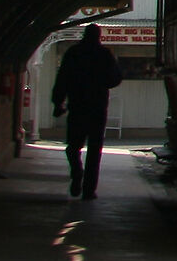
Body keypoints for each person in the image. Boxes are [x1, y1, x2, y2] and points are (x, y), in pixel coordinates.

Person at [52, 24, 123, 200]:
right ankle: (89, 190)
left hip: (77, 106)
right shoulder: (105, 55)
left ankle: (77, 173)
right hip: (98, 108)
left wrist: (58, 102)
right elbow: (114, 79)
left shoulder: (73, 53)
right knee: (94, 149)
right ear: (99, 36)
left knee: (73, 147)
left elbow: (62, 79)